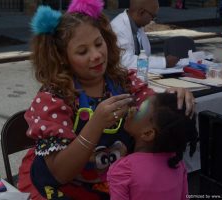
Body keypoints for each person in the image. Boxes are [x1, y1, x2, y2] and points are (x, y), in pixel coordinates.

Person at [17, 0, 195, 199]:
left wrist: (170, 99)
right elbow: (60, 173)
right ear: (62, 58)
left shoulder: (124, 82)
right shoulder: (53, 98)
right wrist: (96, 124)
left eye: (98, 43)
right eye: (82, 51)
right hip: (63, 188)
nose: (96, 55)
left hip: (113, 183)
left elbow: (151, 111)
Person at [107, 93, 198, 200]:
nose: (132, 109)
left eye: (139, 110)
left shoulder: (123, 170)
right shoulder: (177, 164)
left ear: (148, 133)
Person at [110, 0, 179, 70]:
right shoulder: (118, 28)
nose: (152, 21)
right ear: (141, 12)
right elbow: (126, 63)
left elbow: (145, 56)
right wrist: (164, 62)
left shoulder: (137, 26)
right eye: (152, 17)